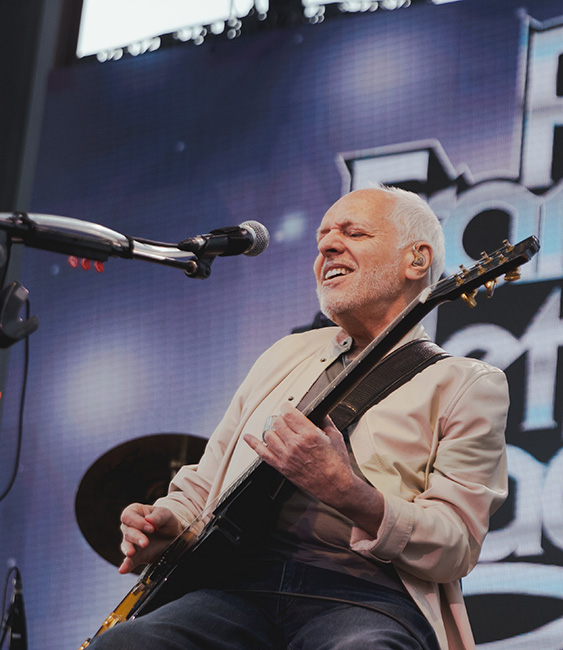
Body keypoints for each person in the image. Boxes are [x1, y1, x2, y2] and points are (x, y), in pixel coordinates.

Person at [92, 187, 510, 650]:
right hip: (237, 589)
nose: (328, 246)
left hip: (366, 598)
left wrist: (349, 493)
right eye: (322, 239)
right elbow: (201, 486)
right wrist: (168, 523)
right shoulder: (285, 354)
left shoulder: (468, 383)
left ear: (416, 260)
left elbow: (456, 545)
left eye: (354, 232)